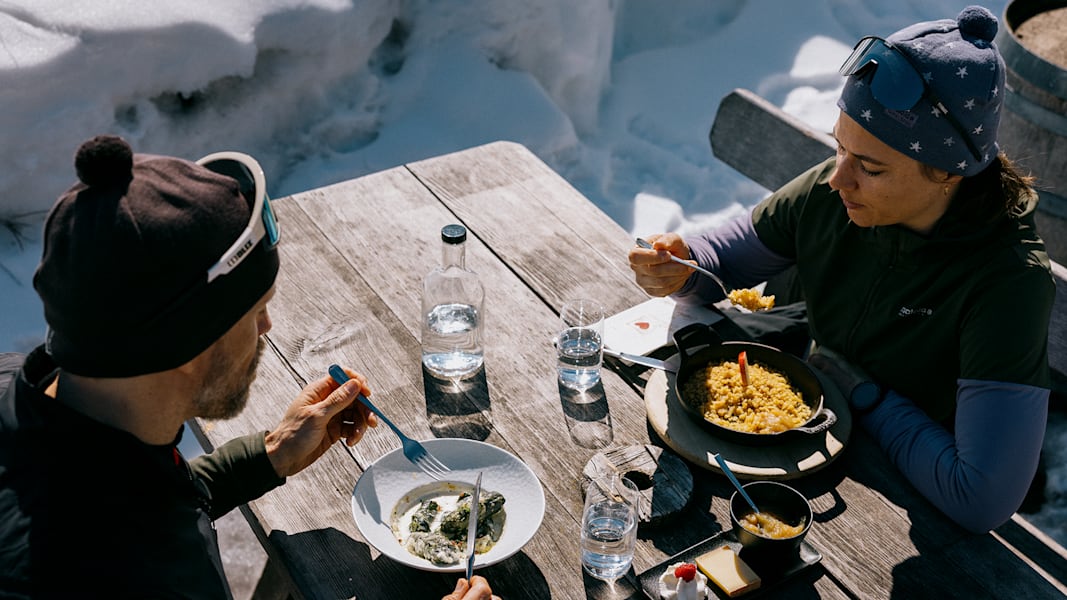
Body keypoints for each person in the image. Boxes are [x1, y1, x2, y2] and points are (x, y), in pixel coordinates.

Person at [0, 135, 498, 600]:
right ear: (187, 344)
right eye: (254, 311)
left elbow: (135, 492)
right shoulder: (137, 574)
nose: (267, 327)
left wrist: (272, 453)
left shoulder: (37, 402)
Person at [629, 5, 1054, 534]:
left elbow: (981, 498)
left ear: (947, 171)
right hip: (793, 440)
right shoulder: (840, 190)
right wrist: (682, 263)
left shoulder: (1008, 283)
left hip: (899, 493)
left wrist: (861, 392)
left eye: (870, 167)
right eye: (839, 148)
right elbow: (726, 257)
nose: (837, 180)